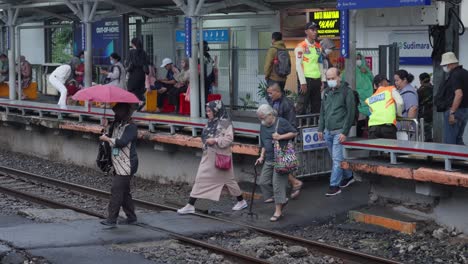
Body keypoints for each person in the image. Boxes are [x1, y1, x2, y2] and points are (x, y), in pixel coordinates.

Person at [177, 100, 248, 214]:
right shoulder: (211, 121)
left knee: (228, 180)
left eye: (210, 111)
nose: (207, 113)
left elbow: (229, 139)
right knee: (202, 178)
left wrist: (215, 140)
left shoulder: (225, 122)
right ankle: (190, 204)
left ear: (216, 110)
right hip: (209, 156)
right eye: (207, 111)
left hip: (220, 157)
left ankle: (241, 201)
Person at [255, 104, 297, 221]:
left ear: (270, 115)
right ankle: (281, 199)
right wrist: (261, 156)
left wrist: (280, 136)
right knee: (263, 181)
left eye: (262, 117)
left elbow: (294, 133)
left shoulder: (281, 122)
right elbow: (263, 143)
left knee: (277, 185)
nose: (261, 120)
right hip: (268, 158)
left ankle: (278, 211)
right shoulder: (263, 126)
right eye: (260, 118)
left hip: (281, 158)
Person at [99, 103, 138, 227]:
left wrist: (108, 140)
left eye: (118, 112)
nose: (116, 114)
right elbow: (111, 137)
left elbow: (122, 142)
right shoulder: (117, 124)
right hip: (118, 163)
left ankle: (111, 219)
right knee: (124, 192)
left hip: (126, 165)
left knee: (116, 191)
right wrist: (105, 128)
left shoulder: (131, 127)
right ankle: (131, 217)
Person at [318, 68, 355, 196]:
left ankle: (334, 186)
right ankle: (349, 176)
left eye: (332, 78)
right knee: (336, 158)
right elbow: (323, 112)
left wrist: (345, 132)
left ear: (339, 77)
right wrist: (320, 128)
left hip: (339, 131)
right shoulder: (327, 93)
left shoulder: (347, 92)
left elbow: (351, 113)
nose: (330, 81)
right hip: (328, 131)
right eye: (328, 79)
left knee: (336, 160)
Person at [266, 83, 303, 198]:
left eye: (271, 93)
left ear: (278, 92)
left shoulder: (287, 104)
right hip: (276, 138)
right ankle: (292, 183)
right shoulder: (273, 102)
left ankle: (293, 183)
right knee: (279, 164)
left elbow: (292, 125)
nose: (269, 95)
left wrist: (284, 138)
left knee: (280, 164)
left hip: (283, 138)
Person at [435, 52, 468, 145]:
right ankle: (461, 158)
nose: (444, 68)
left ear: (449, 64)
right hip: (465, 110)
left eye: (445, 65)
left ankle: (449, 160)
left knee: (449, 141)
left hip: (455, 110)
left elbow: (459, 94)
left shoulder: (454, 75)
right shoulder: (465, 73)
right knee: (458, 138)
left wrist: (452, 112)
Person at [294, 22, 325, 114]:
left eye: (316, 30)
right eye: (312, 30)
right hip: (306, 80)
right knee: (302, 105)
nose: (315, 32)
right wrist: (302, 82)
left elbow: (320, 63)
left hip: (317, 80)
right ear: (306, 31)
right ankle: (300, 126)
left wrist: (322, 80)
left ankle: (315, 126)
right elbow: (298, 65)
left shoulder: (318, 46)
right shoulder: (301, 46)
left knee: (317, 106)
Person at [343, 53, 374, 137]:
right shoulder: (347, 71)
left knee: (364, 120)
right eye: (356, 59)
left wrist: (366, 72)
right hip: (356, 100)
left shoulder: (366, 71)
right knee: (356, 119)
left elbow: (372, 80)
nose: (358, 61)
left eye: (359, 58)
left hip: (368, 101)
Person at [365, 74, 404, 139]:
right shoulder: (390, 89)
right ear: (382, 82)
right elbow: (400, 103)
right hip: (387, 128)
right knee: (389, 148)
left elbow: (371, 111)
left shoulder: (371, 98)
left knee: (374, 149)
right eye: (387, 81)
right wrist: (399, 115)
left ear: (375, 86)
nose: (388, 83)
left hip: (373, 129)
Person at [126, 37, 149, 104]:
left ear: (133, 44)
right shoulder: (143, 52)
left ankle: (136, 103)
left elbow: (128, 63)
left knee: (131, 89)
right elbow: (146, 62)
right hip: (142, 74)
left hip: (134, 73)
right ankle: (141, 101)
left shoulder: (131, 52)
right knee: (139, 89)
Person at [418, 73, 433, 142]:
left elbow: (418, 102)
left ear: (421, 80)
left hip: (423, 114)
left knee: (422, 132)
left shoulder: (421, 90)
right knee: (429, 133)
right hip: (432, 114)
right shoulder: (433, 88)